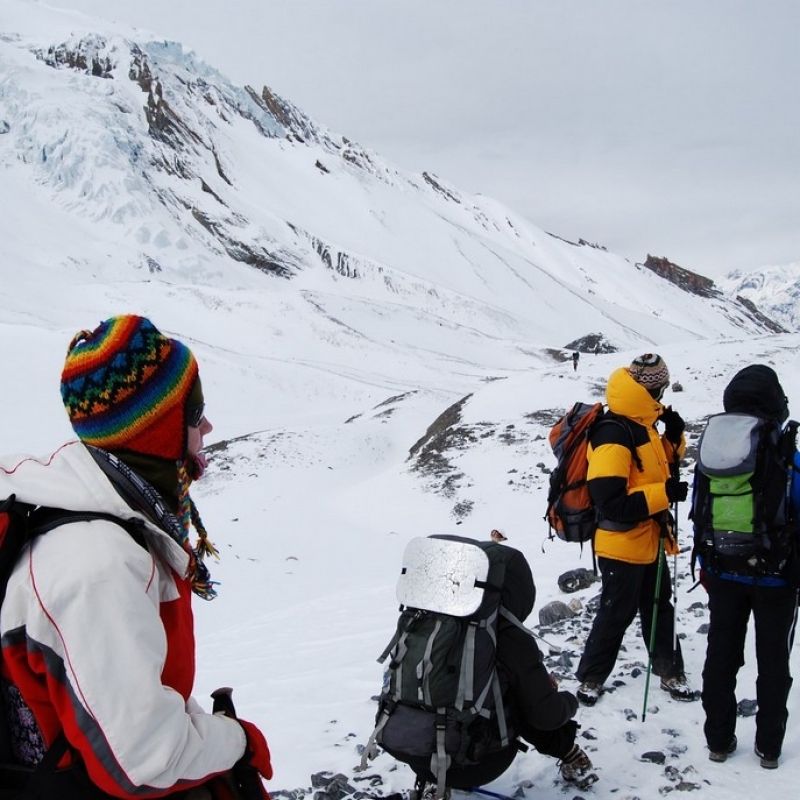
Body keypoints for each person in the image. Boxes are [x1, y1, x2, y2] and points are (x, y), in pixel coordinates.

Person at [0, 315, 272, 799]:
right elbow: (146, 758)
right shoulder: (96, 564)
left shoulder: (82, 500)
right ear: (154, 431)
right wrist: (241, 742)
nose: (207, 425)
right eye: (194, 412)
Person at [375, 540, 598, 793]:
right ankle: (572, 755)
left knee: (500, 688)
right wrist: (569, 701)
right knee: (526, 697)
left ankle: (433, 783)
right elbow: (545, 715)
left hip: (410, 751)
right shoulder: (507, 637)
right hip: (480, 762)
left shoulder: (421, 623)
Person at [574, 353, 696, 705]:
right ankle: (591, 679)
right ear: (650, 390)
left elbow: (657, 468)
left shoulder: (642, 425)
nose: (664, 394)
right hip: (622, 543)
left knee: (659, 605)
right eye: (661, 388)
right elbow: (610, 501)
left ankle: (670, 671)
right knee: (616, 611)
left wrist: (673, 437)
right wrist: (665, 495)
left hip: (651, 538)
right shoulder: (614, 432)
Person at [696, 365, 800, 770]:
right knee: (773, 661)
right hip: (777, 576)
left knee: (721, 656)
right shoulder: (782, 450)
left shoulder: (714, 451)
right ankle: (769, 748)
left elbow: (699, 512)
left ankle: (718, 741)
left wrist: (709, 566)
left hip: (722, 572)